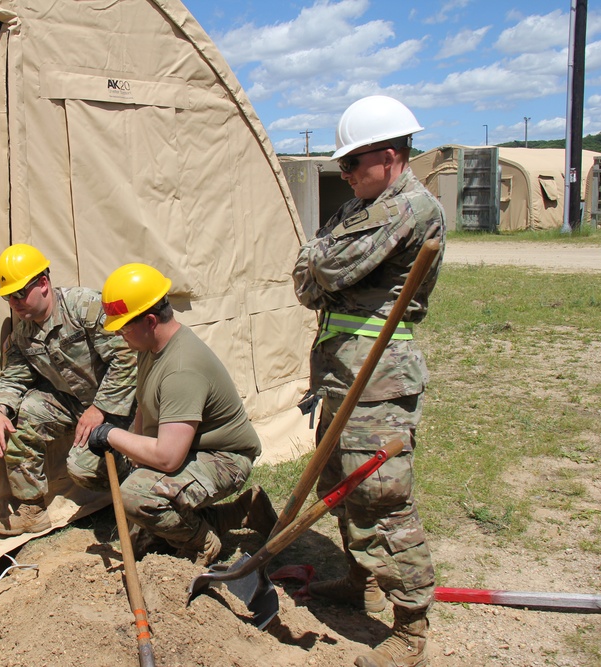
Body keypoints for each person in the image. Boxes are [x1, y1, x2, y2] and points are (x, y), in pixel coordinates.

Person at [292, 95, 445, 667]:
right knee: (338, 482)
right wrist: (316, 261)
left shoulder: (409, 208)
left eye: (352, 164)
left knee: (380, 497)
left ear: (387, 156)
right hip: (341, 371)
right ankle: (362, 580)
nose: (345, 175)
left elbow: (323, 268)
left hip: (377, 377)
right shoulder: (363, 207)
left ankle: (410, 631)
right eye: (342, 167)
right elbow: (306, 276)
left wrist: (316, 260)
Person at [70, 263, 276, 566]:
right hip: (189, 448)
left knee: (138, 497)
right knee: (143, 509)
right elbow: (144, 402)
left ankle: (204, 544)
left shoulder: (182, 368)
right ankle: (243, 511)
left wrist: (113, 435)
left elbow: (168, 458)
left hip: (224, 457)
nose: (120, 335)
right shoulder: (149, 347)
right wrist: (135, 452)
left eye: (124, 326)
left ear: (150, 321)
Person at [0, 243, 137, 536]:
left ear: (43, 284)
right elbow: (12, 379)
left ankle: (139, 487)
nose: (14, 303)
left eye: (19, 293)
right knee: (22, 411)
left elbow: (127, 359)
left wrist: (101, 408)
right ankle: (31, 510)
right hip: (77, 406)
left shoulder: (84, 307)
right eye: (8, 297)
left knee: (82, 470)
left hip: (124, 404)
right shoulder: (23, 333)